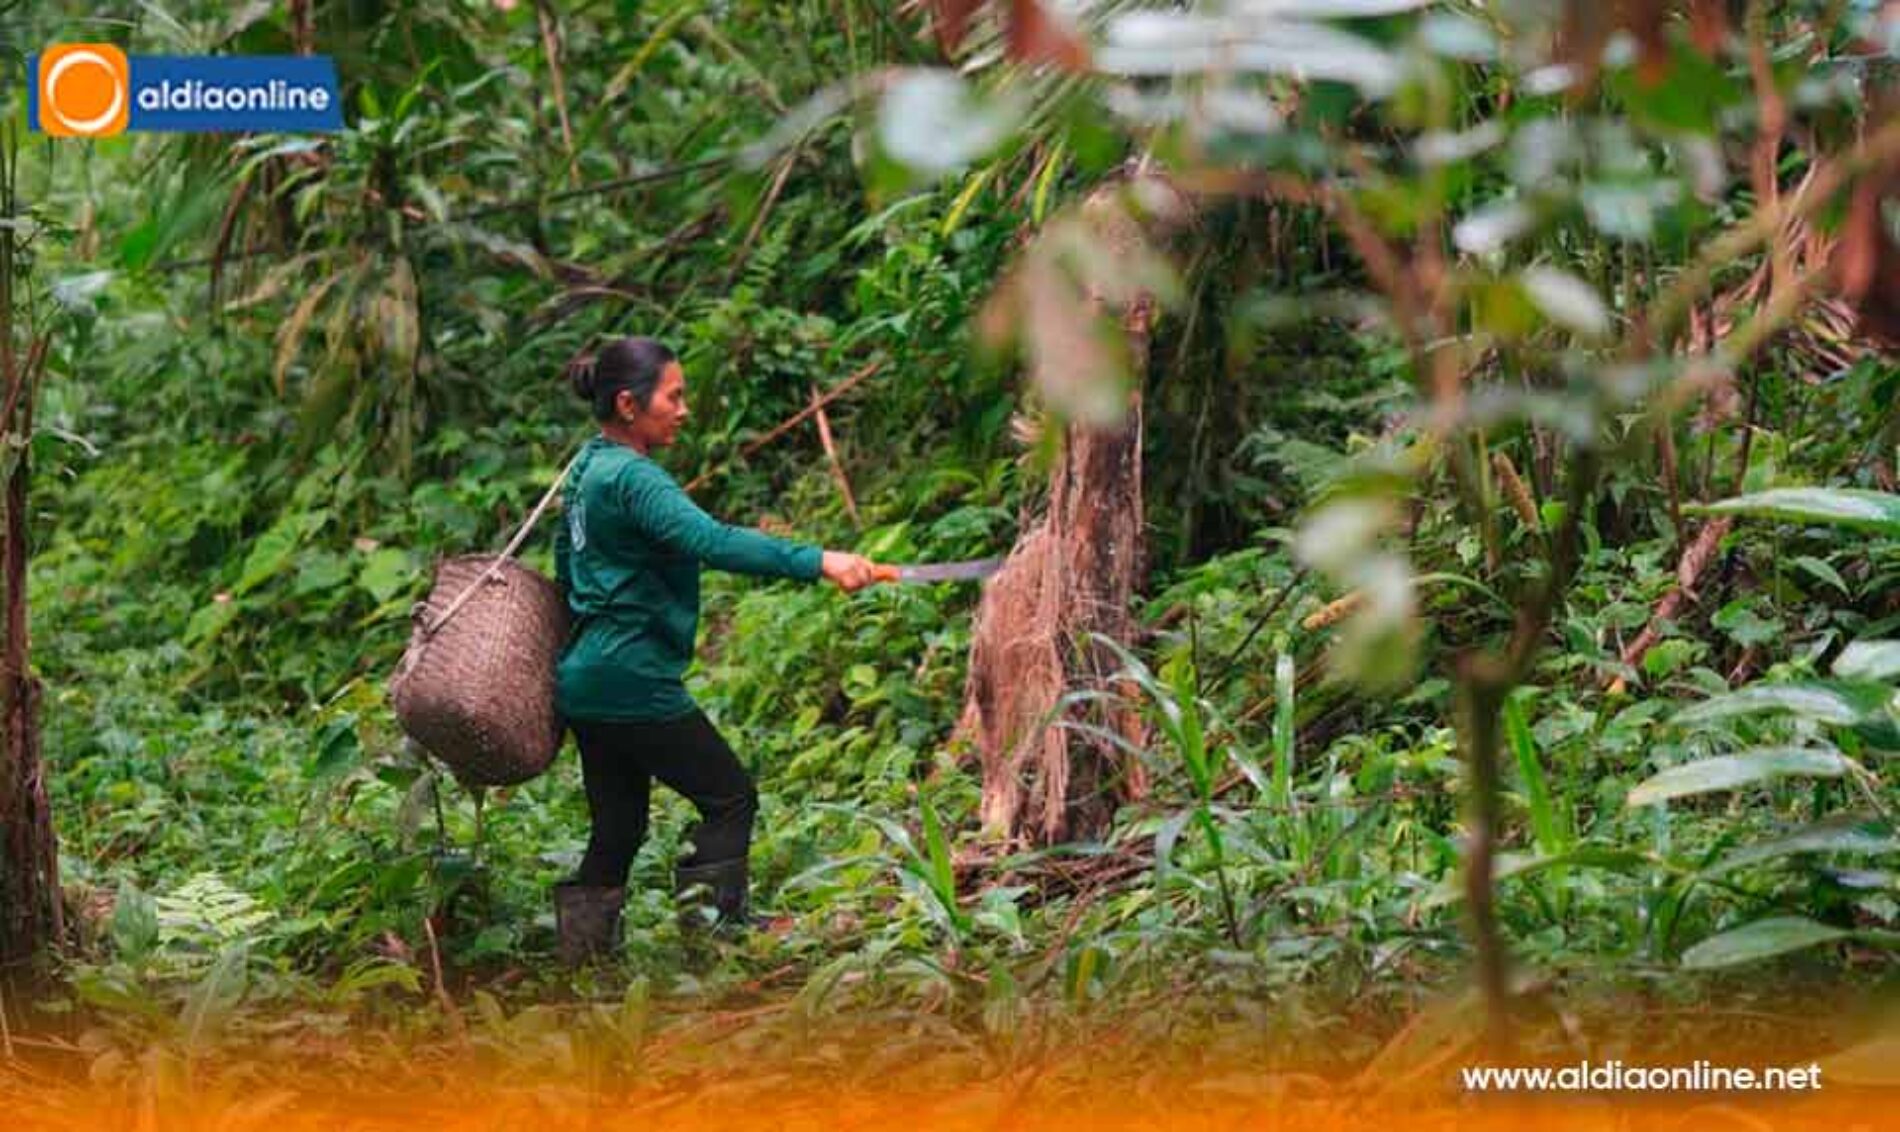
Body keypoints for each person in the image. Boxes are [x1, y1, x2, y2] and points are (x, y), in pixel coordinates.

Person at [550, 335, 878, 964]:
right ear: (627, 404)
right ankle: (716, 945)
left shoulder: (587, 469)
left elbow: (567, 570)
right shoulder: (634, 479)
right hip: (632, 678)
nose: (683, 409)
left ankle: (583, 974)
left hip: (588, 679)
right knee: (730, 797)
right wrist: (819, 561)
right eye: (673, 396)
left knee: (618, 830)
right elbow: (712, 540)